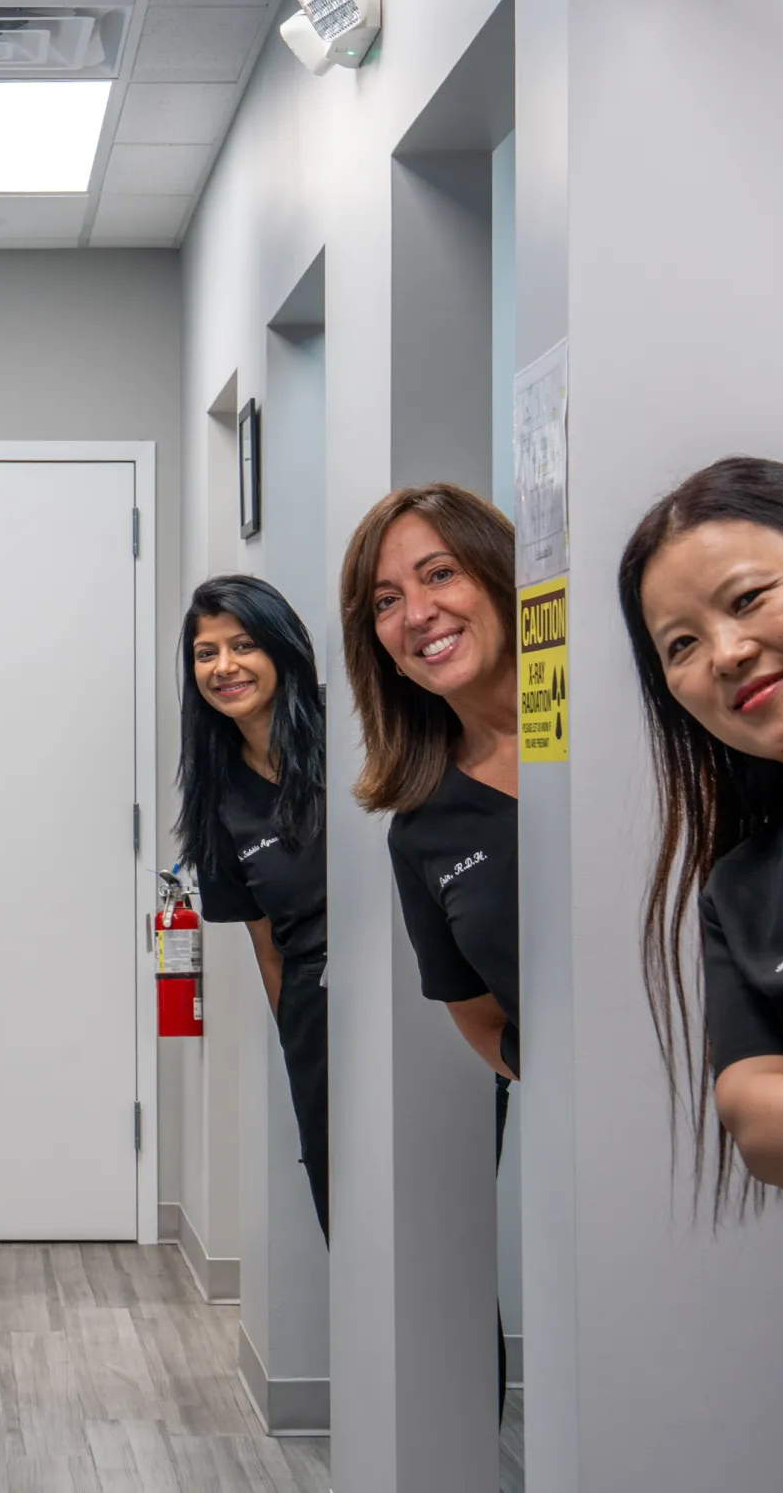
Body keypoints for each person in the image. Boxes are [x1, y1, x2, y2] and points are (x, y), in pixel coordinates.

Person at [619, 456, 783, 1208]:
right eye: (681, 645)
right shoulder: (744, 890)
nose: (726, 654)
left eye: (748, 598)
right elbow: (754, 1114)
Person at [340, 481, 517, 1409]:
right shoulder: (424, 825)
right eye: (385, 602)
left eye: (439, 573)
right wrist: (556, 1079)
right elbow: (478, 1014)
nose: (419, 614)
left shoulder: (637, 724)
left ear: (498, 571)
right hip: (601, 1149)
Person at [176, 576, 329, 1237]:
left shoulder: (351, 733)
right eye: (206, 653)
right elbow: (268, 944)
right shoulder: (218, 794)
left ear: (281, 648)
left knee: (446, 1226)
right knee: (346, 1216)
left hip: (414, 1007)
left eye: (242, 645)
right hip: (316, 1021)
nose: (224, 667)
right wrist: (299, 1042)